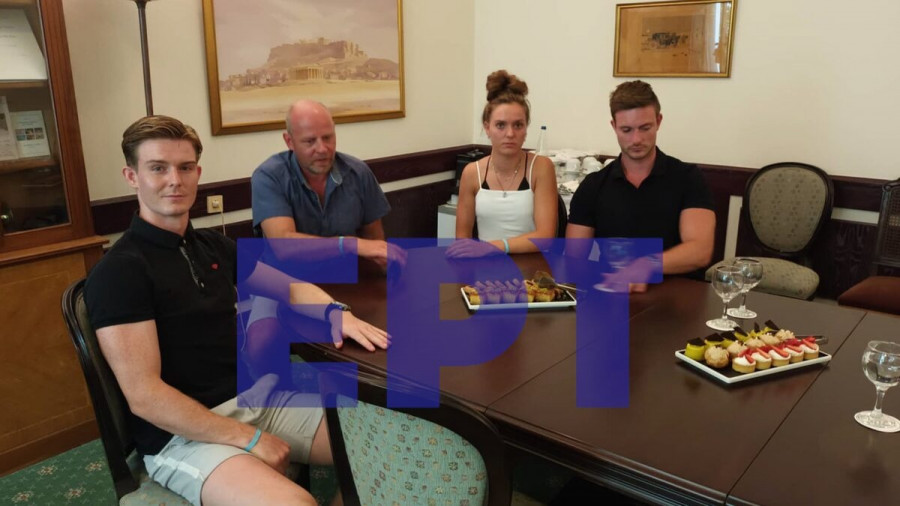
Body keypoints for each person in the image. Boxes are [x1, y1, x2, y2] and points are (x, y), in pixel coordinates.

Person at [84, 115, 388, 505]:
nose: (175, 180)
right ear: (132, 176)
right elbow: (145, 396)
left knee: (391, 448)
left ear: (198, 173)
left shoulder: (212, 246)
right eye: (158, 168)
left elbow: (289, 287)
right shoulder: (120, 271)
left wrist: (336, 313)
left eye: (185, 167)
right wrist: (249, 438)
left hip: (257, 400)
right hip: (182, 437)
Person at [249, 99, 405, 348]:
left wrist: (390, 268)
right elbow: (283, 245)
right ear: (289, 141)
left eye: (328, 138)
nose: (322, 149)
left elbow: (375, 243)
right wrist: (349, 244)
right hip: (284, 283)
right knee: (261, 343)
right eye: (310, 141)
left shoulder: (358, 172)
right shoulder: (269, 176)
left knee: (378, 333)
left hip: (345, 281)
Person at [566, 80, 715, 291]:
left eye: (645, 128)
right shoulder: (593, 185)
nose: (636, 139)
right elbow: (574, 257)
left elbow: (700, 251)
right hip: (614, 291)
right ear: (614, 126)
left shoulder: (688, 178)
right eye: (626, 130)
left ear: (658, 121)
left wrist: (647, 265)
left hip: (678, 296)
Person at [448, 70, 559, 258]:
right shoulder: (472, 172)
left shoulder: (541, 168)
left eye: (518, 125)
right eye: (501, 125)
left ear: (526, 128)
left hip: (531, 269)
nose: (510, 134)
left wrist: (493, 247)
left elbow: (545, 236)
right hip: (485, 267)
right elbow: (462, 241)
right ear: (487, 128)